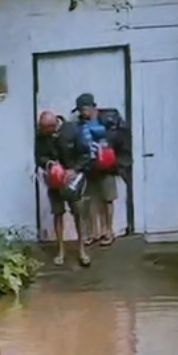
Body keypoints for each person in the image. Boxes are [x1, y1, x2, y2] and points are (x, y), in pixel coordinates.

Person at [34, 109, 90, 268]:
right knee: (57, 213)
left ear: (53, 126)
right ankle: (61, 251)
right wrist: (48, 164)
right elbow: (39, 157)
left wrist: (75, 169)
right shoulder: (41, 135)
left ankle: (82, 250)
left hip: (72, 180)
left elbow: (85, 154)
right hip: (54, 180)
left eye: (46, 129)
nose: (43, 132)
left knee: (77, 214)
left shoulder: (72, 130)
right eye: (42, 129)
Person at [67, 91, 118, 248]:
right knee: (87, 201)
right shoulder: (79, 124)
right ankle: (91, 233)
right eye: (80, 111)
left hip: (107, 166)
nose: (82, 113)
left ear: (91, 107)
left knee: (107, 199)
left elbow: (120, 137)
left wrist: (108, 146)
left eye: (84, 109)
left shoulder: (107, 119)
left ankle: (108, 231)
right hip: (88, 167)